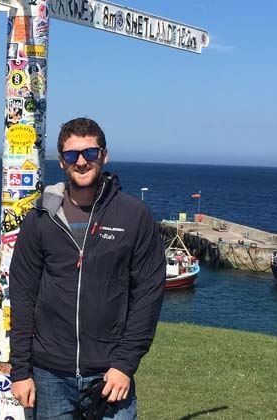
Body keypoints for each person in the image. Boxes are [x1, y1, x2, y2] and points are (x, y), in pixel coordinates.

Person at [10, 118, 165, 419]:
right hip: (48, 374)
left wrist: (124, 364)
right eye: (72, 155)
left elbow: (147, 295)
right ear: (61, 162)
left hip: (110, 374)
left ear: (104, 156)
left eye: (90, 153)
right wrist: (20, 370)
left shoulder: (135, 216)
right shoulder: (41, 217)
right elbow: (22, 294)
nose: (81, 162)